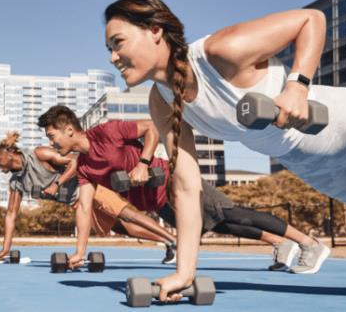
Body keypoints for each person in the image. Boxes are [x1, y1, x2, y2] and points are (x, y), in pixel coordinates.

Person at [103, 0, 346, 300]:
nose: (114, 57)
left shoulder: (221, 51)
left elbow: (311, 20)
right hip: (309, 163)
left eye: (118, 43)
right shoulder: (161, 102)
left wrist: (297, 86)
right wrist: (185, 273)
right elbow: (188, 188)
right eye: (109, 50)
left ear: (155, 30)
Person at [37, 106, 329, 275]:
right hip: (159, 203)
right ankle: (280, 243)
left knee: (230, 212)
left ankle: (309, 242)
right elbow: (85, 208)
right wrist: (80, 251)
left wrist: (143, 162)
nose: (52, 143)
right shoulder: (84, 166)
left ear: (69, 130)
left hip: (172, 179)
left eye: (52, 136)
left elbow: (151, 128)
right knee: (224, 224)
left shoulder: (107, 131)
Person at [0, 131, 177, 264]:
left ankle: (178, 242)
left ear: (10, 154)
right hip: (78, 203)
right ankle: (169, 241)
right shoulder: (16, 182)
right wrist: (6, 248)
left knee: (126, 214)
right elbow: (11, 215)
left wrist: (57, 183)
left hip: (91, 185)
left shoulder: (38, 154)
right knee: (124, 229)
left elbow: (74, 160)